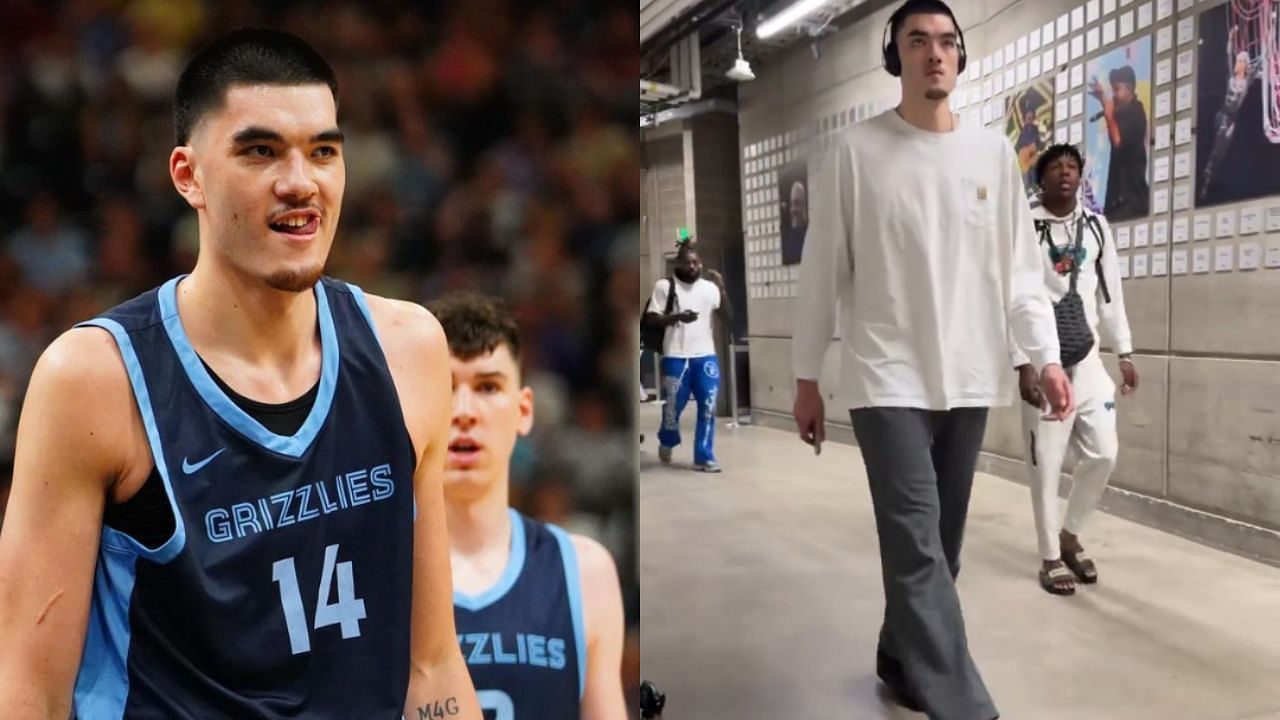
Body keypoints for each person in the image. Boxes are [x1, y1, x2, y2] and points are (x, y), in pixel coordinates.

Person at [0, 29, 482, 719]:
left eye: (323, 151)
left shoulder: (410, 350)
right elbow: (28, 697)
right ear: (187, 175)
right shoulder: (94, 381)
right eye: (260, 151)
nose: (300, 182)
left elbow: (432, 666)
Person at [790, 2, 1073, 718]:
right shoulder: (854, 154)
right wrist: (806, 380)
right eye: (918, 42)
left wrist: (1044, 357)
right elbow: (821, 274)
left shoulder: (991, 157)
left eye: (947, 42)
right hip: (885, 376)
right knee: (917, 546)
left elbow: (1019, 273)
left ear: (960, 58)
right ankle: (965, 707)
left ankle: (898, 658)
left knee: (941, 549)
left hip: (970, 373)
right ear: (897, 57)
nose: (935, 54)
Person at [429, 291, 627, 720]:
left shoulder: (583, 571)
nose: (464, 411)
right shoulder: (366, 576)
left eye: (487, 387)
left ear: (523, 411)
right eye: (443, 387)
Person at [1018, 144, 1137, 595]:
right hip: (1043, 361)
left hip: (1087, 360)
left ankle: (1070, 536)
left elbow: (1110, 295)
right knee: (1046, 464)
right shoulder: (1024, 227)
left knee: (1104, 452)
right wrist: (1022, 363)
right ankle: (1050, 556)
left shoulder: (1096, 227)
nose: (1065, 173)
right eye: (1055, 167)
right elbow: (1013, 297)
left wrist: (1124, 352)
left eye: (1072, 167)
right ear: (1041, 178)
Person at [647, 242, 730, 472]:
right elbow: (652, 318)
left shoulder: (709, 288)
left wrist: (722, 289)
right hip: (676, 356)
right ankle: (667, 437)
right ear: (679, 264)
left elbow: (728, 316)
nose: (693, 267)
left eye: (696, 262)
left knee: (708, 405)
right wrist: (676, 318)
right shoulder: (665, 286)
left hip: (705, 357)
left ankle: (704, 455)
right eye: (688, 262)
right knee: (673, 408)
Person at [1199, 25, 1265, 202]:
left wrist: (1267, 36)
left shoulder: (1247, 80)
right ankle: (1206, 182)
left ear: (1245, 64)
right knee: (1216, 148)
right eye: (1239, 60)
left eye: (1242, 61)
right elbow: (1228, 56)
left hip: (1232, 120)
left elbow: (1260, 62)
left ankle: (1211, 181)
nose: (1238, 62)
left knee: (1222, 151)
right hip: (1222, 115)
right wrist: (1230, 37)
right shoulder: (1231, 77)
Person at [1088, 64, 1150, 221]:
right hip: (1117, 201)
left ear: (1129, 89)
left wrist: (1108, 115)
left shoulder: (1136, 111)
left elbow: (1118, 141)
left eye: (1116, 89)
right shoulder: (1121, 113)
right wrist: (1103, 98)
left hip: (1131, 201)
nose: (1113, 95)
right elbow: (1115, 122)